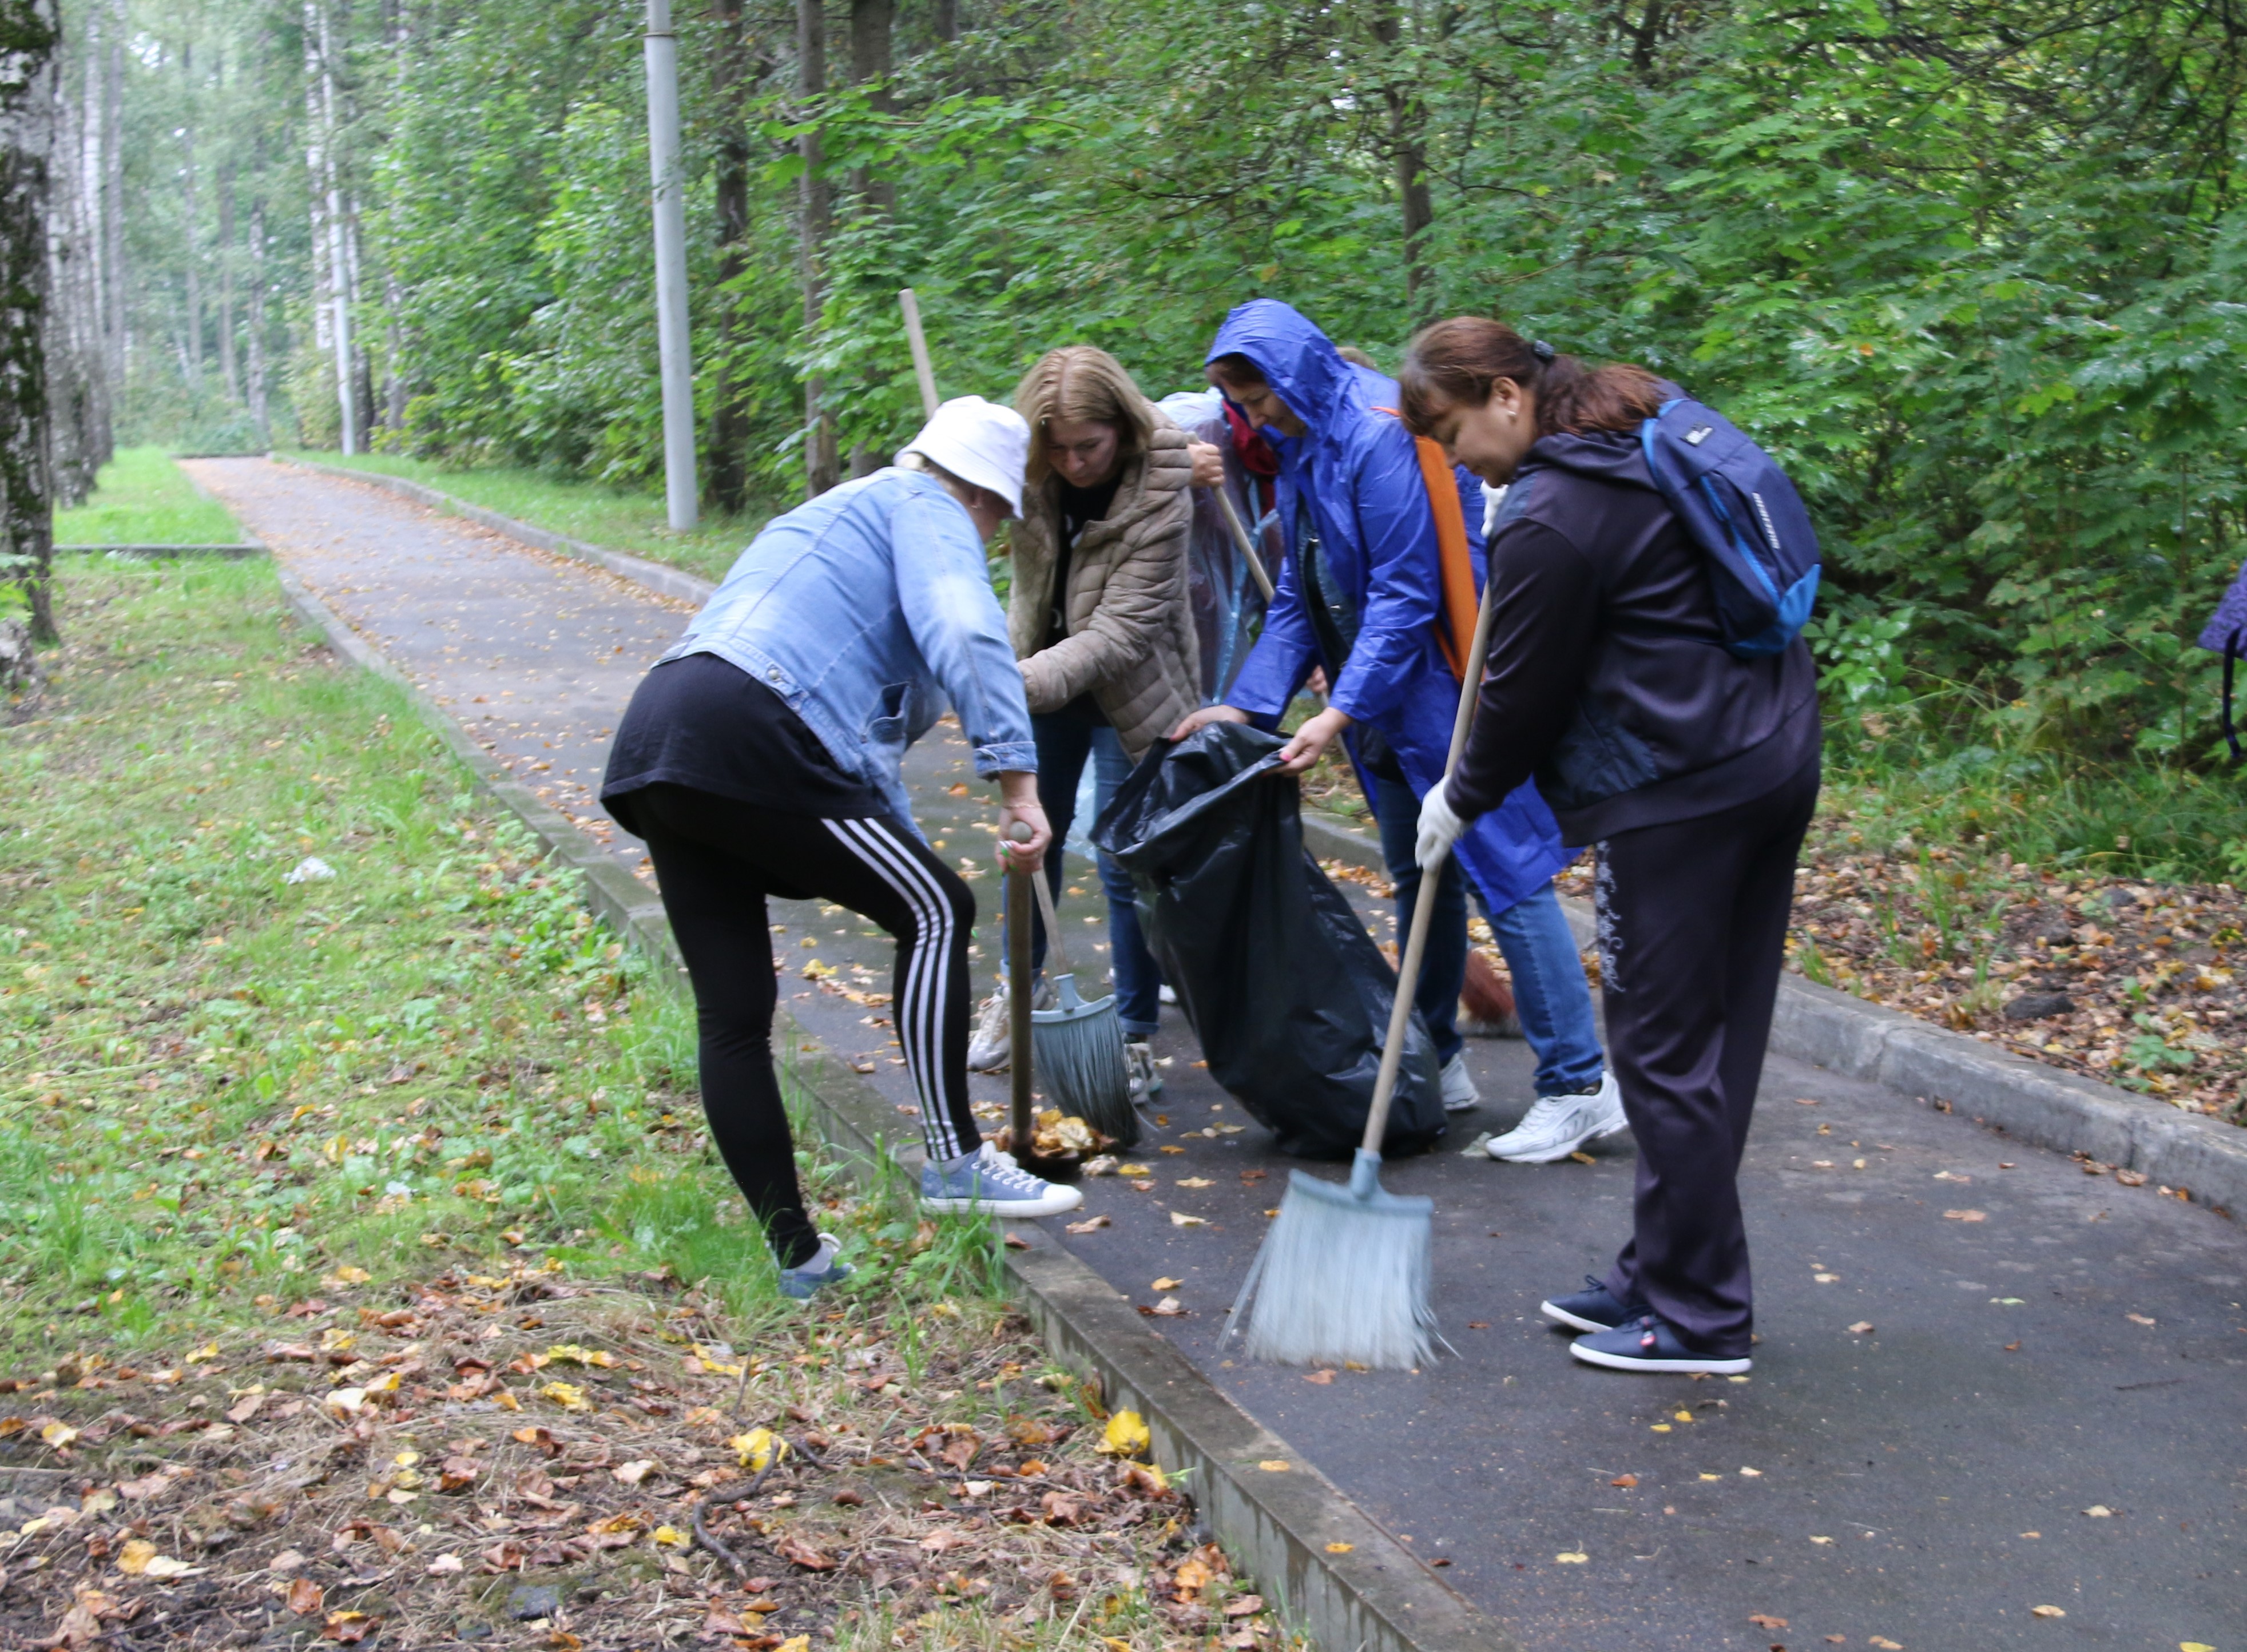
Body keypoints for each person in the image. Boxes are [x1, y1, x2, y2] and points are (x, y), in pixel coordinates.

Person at [1400, 319, 1820, 1375]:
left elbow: (1520, 695)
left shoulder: (1552, 513)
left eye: (1454, 434)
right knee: (1713, 1044)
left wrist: (1462, 794)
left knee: (1663, 1051)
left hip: (1674, 790)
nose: (1458, 460)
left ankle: (1702, 1317)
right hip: (1770, 750)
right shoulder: (1633, 420)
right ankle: (1658, 1270)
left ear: (1503, 394)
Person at [600, 396, 1085, 1302]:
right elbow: (967, 629)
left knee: (734, 1016)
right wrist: (1018, 780)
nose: (988, 540)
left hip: (662, 737)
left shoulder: (830, 518)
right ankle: (954, 1159)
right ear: (987, 500)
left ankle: (800, 1263)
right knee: (941, 907)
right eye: (1000, 521)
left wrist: (901, 842)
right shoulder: (928, 510)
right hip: (751, 730)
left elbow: (862, 753)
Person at [1172, 298, 1617, 1150]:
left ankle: (1578, 1080)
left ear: (1294, 373)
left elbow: (1408, 593)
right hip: (1379, 701)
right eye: (1243, 405)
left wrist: (1336, 714)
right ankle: (1435, 1062)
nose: (1255, 418)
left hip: (1445, 685)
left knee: (1507, 871)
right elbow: (1303, 590)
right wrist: (1248, 703)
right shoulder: (1307, 448)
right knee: (1423, 878)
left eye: (1260, 398)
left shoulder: (1376, 434)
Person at [965, 348, 1200, 1101]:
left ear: (1123, 430)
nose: (1072, 463)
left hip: (1137, 688)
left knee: (1126, 862)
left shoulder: (1164, 479)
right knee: (1029, 841)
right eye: (1057, 448)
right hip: (1041, 677)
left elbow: (1122, 633)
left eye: (1089, 447)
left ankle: (1133, 1035)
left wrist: (1010, 681)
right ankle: (1018, 993)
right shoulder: (1025, 464)